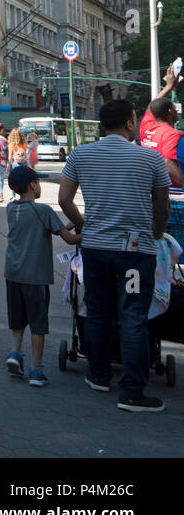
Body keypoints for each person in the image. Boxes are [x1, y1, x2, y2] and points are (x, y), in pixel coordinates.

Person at [58, 99, 170, 412]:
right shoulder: (151, 159)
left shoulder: (81, 154)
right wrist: (156, 233)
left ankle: (98, 374)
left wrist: (84, 226)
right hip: (134, 254)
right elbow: (162, 207)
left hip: (95, 250)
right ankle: (132, 391)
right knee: (133, 315)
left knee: (98, 311)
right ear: (131, 123)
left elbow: (64, 199)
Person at [4, 165, 81, 387]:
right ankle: (36, 371)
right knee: (38, 323)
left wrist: (67, 224)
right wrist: (89, 234)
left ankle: (15, 353)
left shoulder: (11, 208)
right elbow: (69, 239)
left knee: (18, 319)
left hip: (13, 273)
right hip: (35, 276)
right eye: (38, 182)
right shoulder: (43, 211)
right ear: (32, 185)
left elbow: (52, 228)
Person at [139, 66, 184, 187]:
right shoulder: (172, 134)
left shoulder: (146, 127)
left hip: (151, 185)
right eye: (174, 109)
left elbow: (151, 106)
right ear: (170, 112)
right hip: (171, 191)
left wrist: (169, 86)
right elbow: (168, 163)